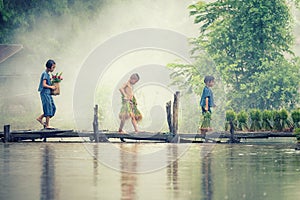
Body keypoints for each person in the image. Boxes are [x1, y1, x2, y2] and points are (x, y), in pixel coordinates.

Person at [36, 59, 57, 129]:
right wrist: (51, 86)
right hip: (44, 93)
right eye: (53, 67)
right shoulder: (44, 74)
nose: (54, 69)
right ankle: (47, 125)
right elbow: (44, 84)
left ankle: (40, 118)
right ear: (49, 67)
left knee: (53, 108)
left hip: (48, 93)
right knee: (48, 107)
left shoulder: (47, 74)